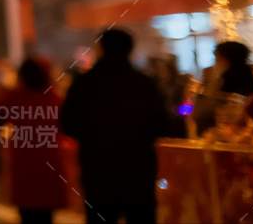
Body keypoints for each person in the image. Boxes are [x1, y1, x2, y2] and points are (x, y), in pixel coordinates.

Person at [60, 28, 171, 224]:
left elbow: (68, 124)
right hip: (139, 168)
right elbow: (162, 124)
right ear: (130, 50)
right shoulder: (143, 83)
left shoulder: (85, 84)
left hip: (97, 168)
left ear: (101, 49)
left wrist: (93, 138)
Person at [1, 58, 65, 224]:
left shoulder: (12, 98)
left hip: (23, 162)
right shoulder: (54, 99)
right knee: (46, 214)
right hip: (49, 162)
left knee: (26, 213)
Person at [193, 40, 253, 133]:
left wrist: (210, 83)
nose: (214, 64)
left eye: (216, 59)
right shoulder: (249, 82)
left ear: (226, 61)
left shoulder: (225, 92)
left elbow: (200, 115)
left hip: (226, 140)